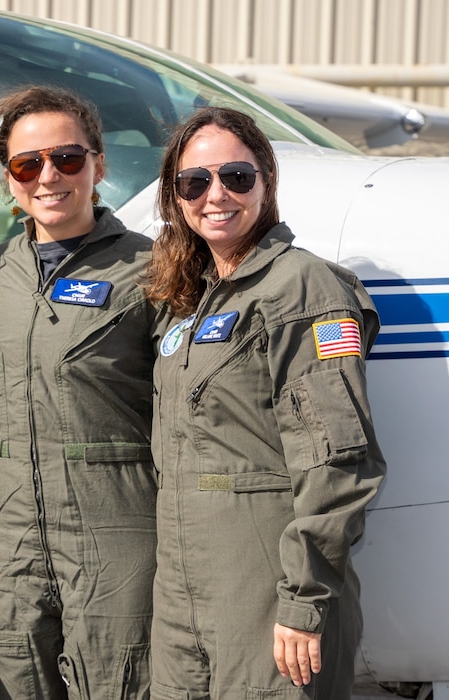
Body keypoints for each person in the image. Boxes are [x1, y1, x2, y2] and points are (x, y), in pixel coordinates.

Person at [144, 106, 387, 698]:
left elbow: (338, 462)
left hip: (267, 591)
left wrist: (305, 599)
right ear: (176, 198)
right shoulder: (187, 299)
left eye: (237, 177)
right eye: (194, 183)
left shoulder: (303, 288)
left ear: (266, 182)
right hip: (183, 596)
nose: (216, 195)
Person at [0, 85, 160, 698]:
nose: (48, 176)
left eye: (68, 159)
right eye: (27, 164)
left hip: (115, 527)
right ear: (9, 178)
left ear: (98, 164)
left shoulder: (155, 269)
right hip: (4, 534)